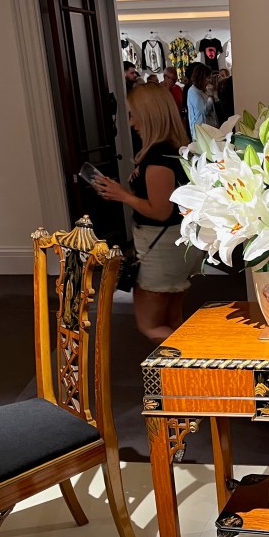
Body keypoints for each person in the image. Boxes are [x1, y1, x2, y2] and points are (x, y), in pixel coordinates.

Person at [93, 83, 204, 344]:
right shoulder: (177, 152)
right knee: (172, 319)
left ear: (148, 115)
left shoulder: (158, 159)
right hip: (175, 244)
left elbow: (160, 211)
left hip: (161, 246)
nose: (131, 122)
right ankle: (187, 378)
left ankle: (200, 368)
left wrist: (123, 195)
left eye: (133, 114)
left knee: (151, 325)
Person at [185, 62, 218, 135]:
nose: (210, 80)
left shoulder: (204, 90)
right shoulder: (193, 91)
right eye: (208, 78)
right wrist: (210, 96)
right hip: (201, 133)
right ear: (201, 77)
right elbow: (205, 110)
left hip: (210, 129)